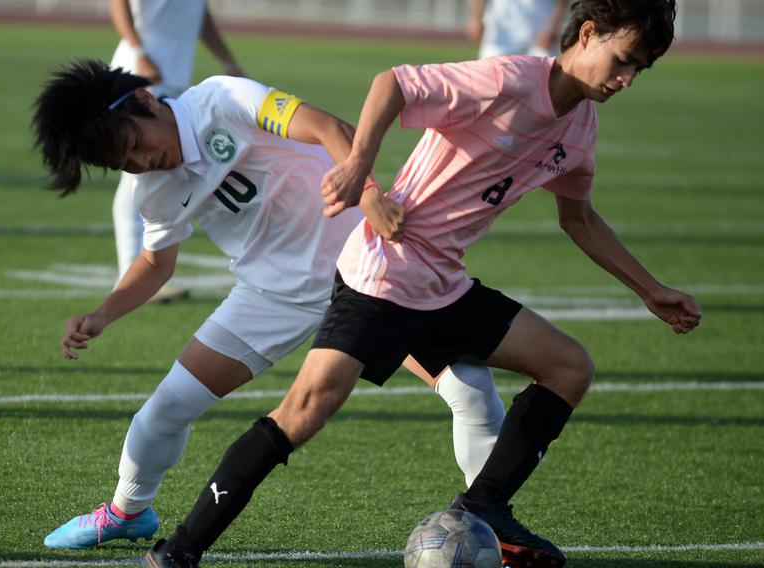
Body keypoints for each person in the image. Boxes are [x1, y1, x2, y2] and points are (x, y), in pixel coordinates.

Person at [143, 1, 700, 567]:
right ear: (587, 34)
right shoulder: (509, 79)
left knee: (569, 366)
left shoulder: (580, 131)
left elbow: (579, 219)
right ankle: (181, 549)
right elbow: (394, 84)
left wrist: (649, 289)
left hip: (443, 285)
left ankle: (485, 508)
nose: (626, 79)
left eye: (640, 70)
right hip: (383, 274)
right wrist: (360, 166)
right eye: (623, 60)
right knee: (303, 412)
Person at [32, 59, 508, 550]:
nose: (141, 163)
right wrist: (102, 314)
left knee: (470, 391)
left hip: (368, 272)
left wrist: (367, 197)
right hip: (272, 296)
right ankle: (126, 512)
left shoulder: (221, 101)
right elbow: (156, 263)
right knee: (163, 411)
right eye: (123, 164)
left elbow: (331, 128)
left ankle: (490, 525)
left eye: (135, 145)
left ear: (146, 101)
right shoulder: (152, 190)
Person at [109, 0, 244, 301]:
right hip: (140, 70)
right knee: (136, 181)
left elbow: (198, 13)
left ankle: (138, 272)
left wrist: (227, 59)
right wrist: (138, 51)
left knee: (155, 177)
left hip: (171, 73)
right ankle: (129, 273)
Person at [467, 0, 570, 58]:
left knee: (546, 87)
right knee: (487, 85)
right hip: (500, 35)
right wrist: (475, 17)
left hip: (540, 34)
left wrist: (553, 25)